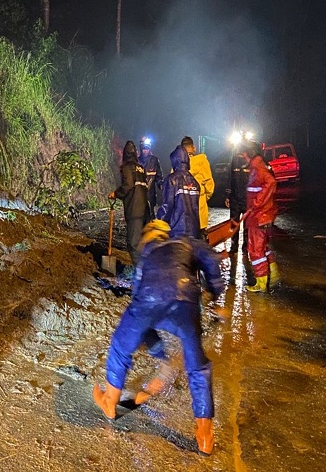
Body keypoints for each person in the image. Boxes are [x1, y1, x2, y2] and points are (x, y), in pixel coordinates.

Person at [92, 219, 227, 455]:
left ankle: (110, 402)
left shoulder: (146, 258)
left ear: (149, 238)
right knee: (198, 367)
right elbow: (211, 259)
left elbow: (139, 305)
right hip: (186, 302)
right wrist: (215, 293)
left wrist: (158, 352)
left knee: (121, 346)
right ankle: (204, 433)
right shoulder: (186, 243)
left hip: (147, 302)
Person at [242, 141, 279, 292]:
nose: (243, 157)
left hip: (258, 216)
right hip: (262, 215)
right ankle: (273, 274)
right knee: (263, 248)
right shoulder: (258, 166)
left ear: (249, 154)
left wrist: (256, 204)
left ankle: (261, 283)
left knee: (255, 249)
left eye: (244, 155)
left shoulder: (257, 168)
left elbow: (270, 183)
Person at [110, 140, 150, 262]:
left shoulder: (127, 168)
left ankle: (140, 273)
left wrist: (115, 194)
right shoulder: (141, 168)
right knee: (144, 242)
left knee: (133, 244)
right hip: (145, 211)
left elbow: (127, 186)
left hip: (134, 210)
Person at [157, 145, 201, 239]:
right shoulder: (195, 182)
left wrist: (158, 224)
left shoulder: (171, 179)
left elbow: (167, 206)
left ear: (174, 160)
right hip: (195, 232)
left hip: (177, 233)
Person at [181, 136, 215, 238]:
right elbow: (209, 184)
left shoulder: (178, 165)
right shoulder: (202, 161)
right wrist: (204, 198)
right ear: (194, 148)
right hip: (200, 208)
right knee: (200, 238)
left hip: (184, 210)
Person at [225, 145, 250, 253]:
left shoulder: (250, 161)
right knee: (234, 225)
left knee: (247, 227)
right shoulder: (234, 160)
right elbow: (230, 178)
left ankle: (245, 248)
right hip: (236, 199)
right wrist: (228, 196)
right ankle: (234, 248)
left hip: (247, 199)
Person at [138, 137, 164, 218]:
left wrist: (163, 187)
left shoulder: (154, 161)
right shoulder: (137, 161)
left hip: (150, 195)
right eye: (143, 148)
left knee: (150, 217)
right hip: (139, 196)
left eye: (147, 148)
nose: (145, 150)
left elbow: (159, 177)